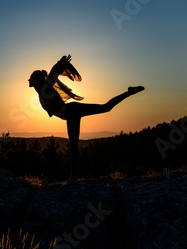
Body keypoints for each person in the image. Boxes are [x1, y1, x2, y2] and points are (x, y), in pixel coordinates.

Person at [28, 54, 144, 183]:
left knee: (105, 108)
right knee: (74, 143)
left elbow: (52, 74)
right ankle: (73, 177)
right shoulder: (41, 90)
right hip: (70, 114)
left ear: (36, 80)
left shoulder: (45, 87)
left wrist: (60, 63)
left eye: (31, 78)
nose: (28, 80)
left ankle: (129, 92)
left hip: (72, 111)